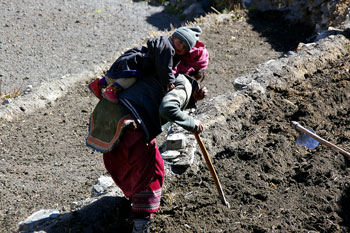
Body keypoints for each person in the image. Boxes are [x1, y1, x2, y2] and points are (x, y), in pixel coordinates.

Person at [86, 73, 206, 233]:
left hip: (112, 121)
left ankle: (136, 207)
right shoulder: (183, 85)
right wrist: (191, 123)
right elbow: (168, 109)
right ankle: (141, 225)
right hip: (131, 128)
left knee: (131, 168)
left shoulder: (156, 71)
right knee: (151, 173)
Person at [88, 26, 206, 103]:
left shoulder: (168, 46)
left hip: (134, 59)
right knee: (131, 78)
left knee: (119, 74)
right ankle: (112, 91)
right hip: (136, 62)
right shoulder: (167, 48)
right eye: (180, 42)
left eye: (184, 47)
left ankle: (98, 83)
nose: (180, 46)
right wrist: (169, 82)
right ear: (173, 37)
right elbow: (164, 66)